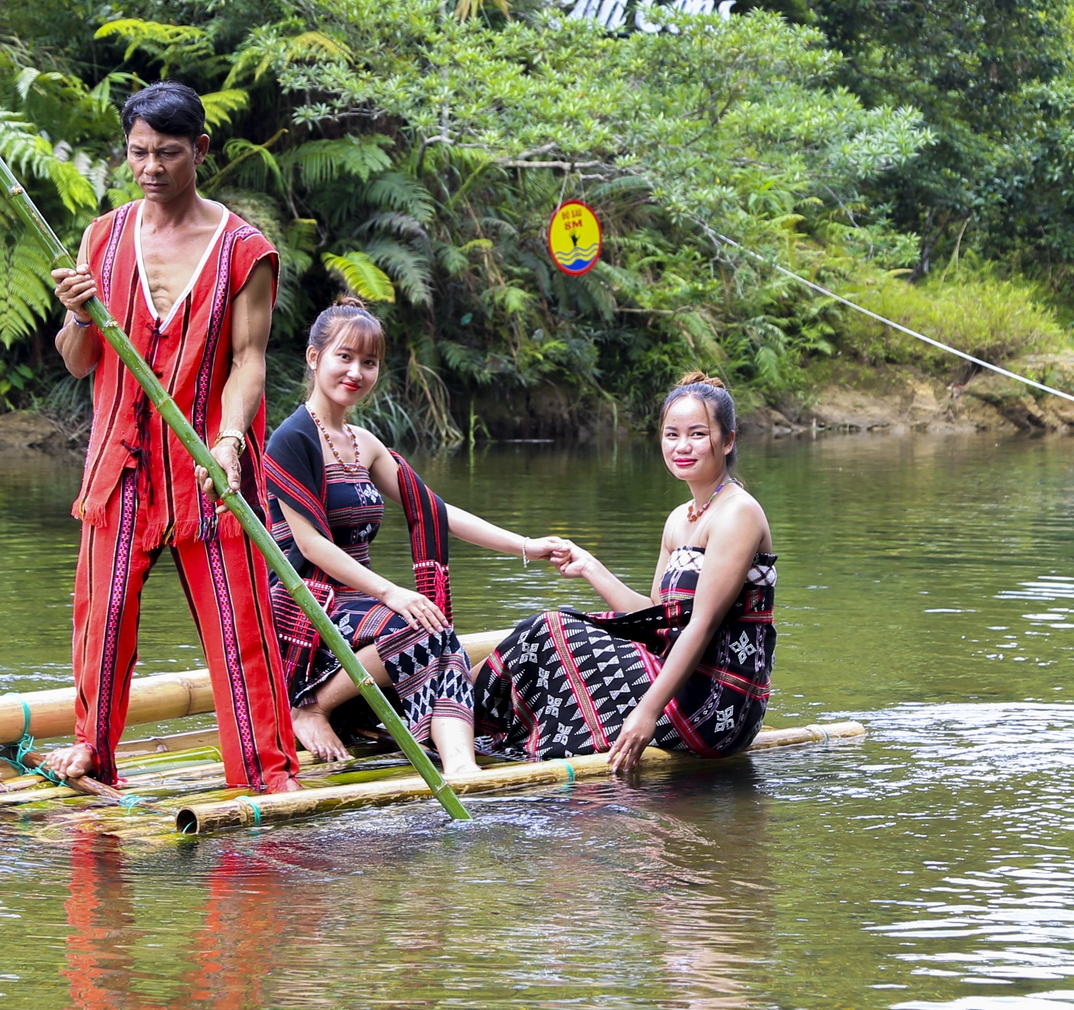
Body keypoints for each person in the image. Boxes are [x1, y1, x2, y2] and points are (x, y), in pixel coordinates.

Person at [40, 80, 302, 794]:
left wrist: (227, 442)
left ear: (201, 151)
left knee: (238, 623)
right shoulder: (103, 236)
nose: (152, 167)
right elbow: (78, 360)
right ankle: (93, 749)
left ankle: (266, 774)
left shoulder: (244, 250)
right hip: (119, 464)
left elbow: (249, 361)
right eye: (138, 153)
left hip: (207, 465)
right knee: (105, 615)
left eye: (168, 153)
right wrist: (80, 317)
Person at [262, 296, 565, 779]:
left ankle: (462, 770)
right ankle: (309, 706)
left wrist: (526, 546)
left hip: (356, 599)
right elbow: (310, 546)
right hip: (303, 601)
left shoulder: (364, 443)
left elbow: (434, 510)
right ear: (314, 357)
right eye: (344, 357)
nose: (356, 372)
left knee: (436, 626)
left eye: (369, 362)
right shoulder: (291, 438)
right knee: (414, 622)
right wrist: (390, 590)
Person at [472, 370, 775, 772]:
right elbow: (655, 616)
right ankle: (450, 718)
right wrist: (591, 568)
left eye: (698, 434)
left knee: (552, 630)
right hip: (678, 680)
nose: (682, 446)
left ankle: (447, 719)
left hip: (718, 702)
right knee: (545, 629)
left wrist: (646, 713)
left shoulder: (739, 512)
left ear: (727, 441)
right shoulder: (678, 520)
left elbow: (701, 625)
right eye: (672, 435)